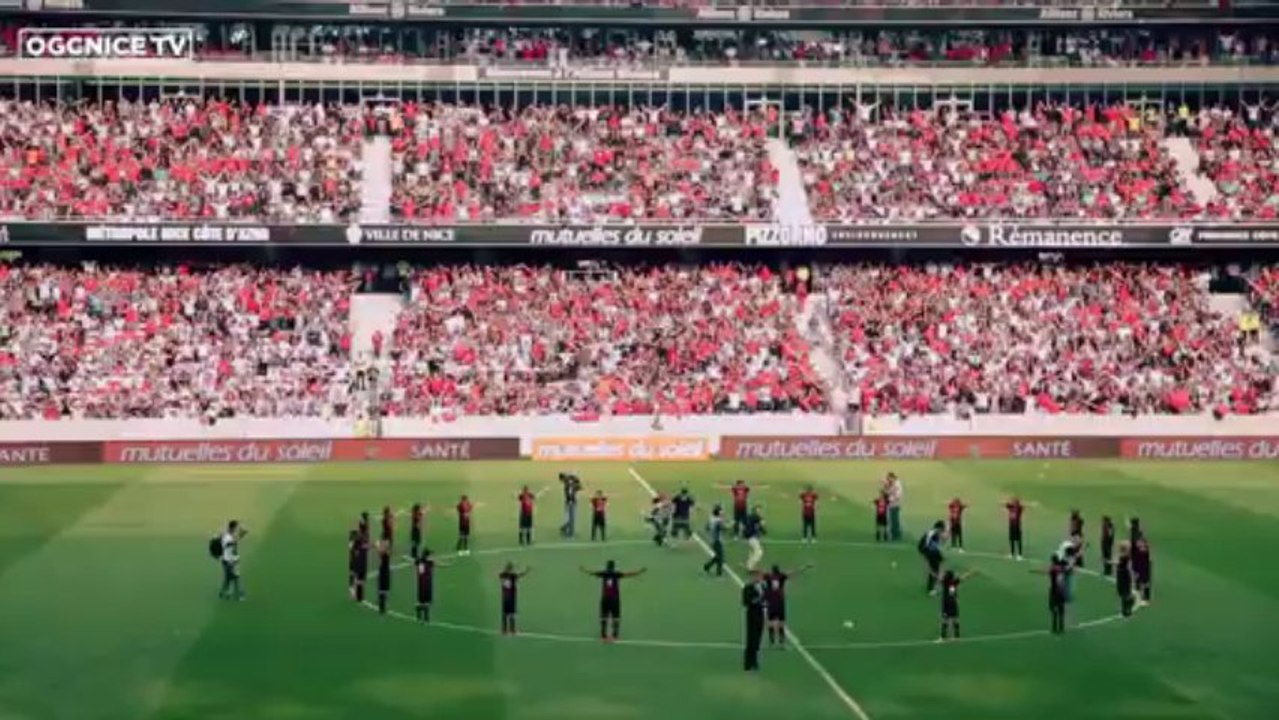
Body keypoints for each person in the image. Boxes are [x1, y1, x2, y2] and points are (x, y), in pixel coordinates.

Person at [580, 560, 646, 642]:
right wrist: (640, 571)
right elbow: (629, 574)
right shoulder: (616, 574)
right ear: (613, 567)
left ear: (607, 566)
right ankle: (615, 635)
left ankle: (603, 635)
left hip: (605, 598)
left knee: (603, 616)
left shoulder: (603, 573)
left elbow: (591, 572)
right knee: (616, 617)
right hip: (615, 599)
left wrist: (583, 570)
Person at [764, 563, 813, 647]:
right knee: (781, 620)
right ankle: (781, 639)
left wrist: (744, 567)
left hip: (771, 601)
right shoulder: (781, 576)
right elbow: (794, 572)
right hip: (780, 601)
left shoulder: (768, 576)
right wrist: (804, 567)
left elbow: (756, 573)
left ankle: (771, 639)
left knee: (771, 620)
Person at [937, 569, 978, 641]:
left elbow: (939, 578)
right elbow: (964, 577)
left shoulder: (945, 582)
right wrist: (972, 573)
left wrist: (940, 572)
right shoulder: (954, 582)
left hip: (946, 603)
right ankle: (956, 636)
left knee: (945, 620)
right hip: (953, 602)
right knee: (955, 619)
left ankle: (943, 637)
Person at [1033, 557, 1069, 634]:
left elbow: (1044, 572)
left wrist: (1034, 571)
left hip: (1054, 592)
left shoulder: (1052, 570)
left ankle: (1054, 628)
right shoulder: (1063, 569)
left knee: (1054, 611)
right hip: (1062, 592)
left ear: (1053, 562)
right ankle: (1061, 628)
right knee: (1061, 611)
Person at [415, 549, 450, 622]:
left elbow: (439, 564)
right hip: (423, 584)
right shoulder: (423, 563)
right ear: (427, 556)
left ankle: (423, 614)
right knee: (424, 601)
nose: (432, 556)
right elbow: (421, 573)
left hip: (427, 583)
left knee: (426, 602)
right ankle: (424, 615)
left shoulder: (427, 562)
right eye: (431, 555)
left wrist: (447, 565)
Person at [742, 569, 767, 671]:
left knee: (758, 638)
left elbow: (766, 598)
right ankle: (748, 663)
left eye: (760, 576)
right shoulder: (747, 588)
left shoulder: (763, 587)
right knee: (751, 639)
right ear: (752, 577)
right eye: (757, 576)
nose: (759, 578)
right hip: (751, 614)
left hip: (760, 614)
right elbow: (745, 602)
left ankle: (755, 661)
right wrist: (757, 599)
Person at [499, 562, 532, 635]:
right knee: (511, 614)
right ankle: (512, 630)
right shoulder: (512, 576)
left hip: (505, 597)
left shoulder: (502, 575)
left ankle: (504, 630)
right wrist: (527, 570)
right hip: (511, 597)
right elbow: (520, 575)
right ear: (511, 569)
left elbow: (502, 574)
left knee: (504, 614)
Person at [218, 520, 247, 601]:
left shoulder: (230, 535)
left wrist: (242, 534)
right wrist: (242, 535)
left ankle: (224, 593)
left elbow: (235, 541)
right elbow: (230, 543)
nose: (237, 529)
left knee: (229, 578)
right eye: (236, 527)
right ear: (233, 528)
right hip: (229, 561)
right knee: (234, 578)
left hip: (232, 560)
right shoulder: (227, 537)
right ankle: (239, 595)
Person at [918, 520, 946, 595]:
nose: (942, 531)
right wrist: (926, 555)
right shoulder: (933, 534)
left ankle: (938, 581)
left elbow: (937, 544)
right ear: (939, 528)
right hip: (928, 551)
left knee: (940, 564)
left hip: (932, 550)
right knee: (934, 569)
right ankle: (931, 588)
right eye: (942, 529)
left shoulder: (934, 533)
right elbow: (926, 545)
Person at [703, 505, 727, 576]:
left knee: (718, 556)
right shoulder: (718, 520)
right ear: (718, 512)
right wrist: (730, 525)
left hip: (712, 539)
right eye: (721, 511)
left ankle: (707, 566)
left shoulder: (711, 518)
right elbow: (723, 528)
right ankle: (719, 573)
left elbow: (706, 527)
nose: (722, 512)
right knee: (721, 557)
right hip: (717, 540)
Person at [1115, 542, 1136, 618]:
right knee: (1122, 592)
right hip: (1121, 575)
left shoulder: (1126, 558)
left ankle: (1126, 610)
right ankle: (1126, 608)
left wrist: (1132, 576)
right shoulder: (1122, 557)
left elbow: (1129, 568)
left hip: (1124, 576)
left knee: (1125, 593)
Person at [559, 472, 582, 538]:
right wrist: (578, 487)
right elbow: (577, 483)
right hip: (571, 501)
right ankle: (567, 529)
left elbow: (570, 492)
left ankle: (569, 532)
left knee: (571, 518)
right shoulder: (570, 479)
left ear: (562, 478)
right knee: (572, 518)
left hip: (570, 502)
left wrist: (570, 501)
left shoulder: (568, 483)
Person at [743, 505, 766, 570]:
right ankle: (750, 566)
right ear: (756, 511)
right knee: (759, 552)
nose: (760, 512)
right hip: (752, 537)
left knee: (752, 552)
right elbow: (762, 525)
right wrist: (763, 530)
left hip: (749, 537)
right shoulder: (757, 517)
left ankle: (749, 565)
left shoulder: (749, 516)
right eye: (759, 510)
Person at [348, 528, 367, 602]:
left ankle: (353, 588)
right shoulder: (354, 545)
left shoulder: (354, 544)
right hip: (354, 562)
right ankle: (352, 589)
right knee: (353, 574)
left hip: (356, 562)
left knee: (354, 575)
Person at [1132, 536, 1153, 604]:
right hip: (1138, 568)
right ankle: (1138, 596)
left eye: (1140, 542)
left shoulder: (1144, 551)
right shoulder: (1137, 550)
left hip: (1144, 569)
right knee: (1137, 583)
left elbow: (1146, 560)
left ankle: (1146, 598)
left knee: (1145, 583)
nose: (1138, 543)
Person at [885, 472, 904, 541]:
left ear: (892, 477)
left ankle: (896, 534)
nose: (888, 479)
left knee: (894, 520)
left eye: (889, 478)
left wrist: (890, 499)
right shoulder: (893, 483)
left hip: (895, 504)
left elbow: (898, 496)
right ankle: (895, 534)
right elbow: (889, 492)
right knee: (893, 520)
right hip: (892, 504)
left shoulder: (897, 485)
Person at [376, 539, 392, 615]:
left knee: (383, 588)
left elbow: (381, 551)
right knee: (383, 588)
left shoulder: (386, 552)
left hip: (384, 571)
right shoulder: (385, 553)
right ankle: (382, 607)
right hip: (384, 571)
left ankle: (382, 605)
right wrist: (379, 545)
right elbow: (380, 552)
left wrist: (378, 545)